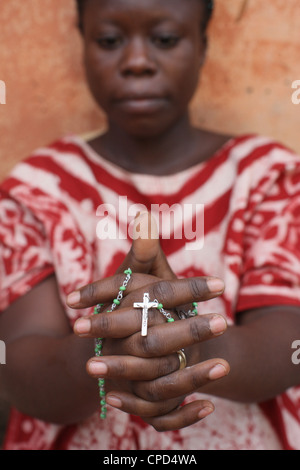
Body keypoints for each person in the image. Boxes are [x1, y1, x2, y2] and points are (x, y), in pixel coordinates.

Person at [0, 0, 300, 451]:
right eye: (109, 41)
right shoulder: (36, 191)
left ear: (203, 46)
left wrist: (190, 346)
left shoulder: (267, 176)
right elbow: (20, 368)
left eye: (164, 39)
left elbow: (288, 342)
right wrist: (108, 349)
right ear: (82, 45)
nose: (137, 62)